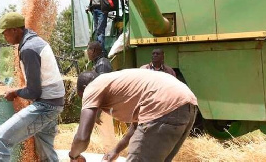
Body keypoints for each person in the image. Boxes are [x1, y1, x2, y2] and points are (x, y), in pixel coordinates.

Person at [68, 69, 198, 162]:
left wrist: (73, 156)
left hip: (164, 106)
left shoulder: (92, 87)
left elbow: (82, 137)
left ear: (84, 88)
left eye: (82, 97)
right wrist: (116, 150)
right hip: (187, 105)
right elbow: (137, 125)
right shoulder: (116, 82)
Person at [0, 12, 65, 162]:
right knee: (47, 155)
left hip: (45, 105)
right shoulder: (36, 42)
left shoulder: (29, 49)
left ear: (15, 30)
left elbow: (33, 91)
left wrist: (15, 92)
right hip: (55, 103)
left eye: (5, 33)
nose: (4, 36)